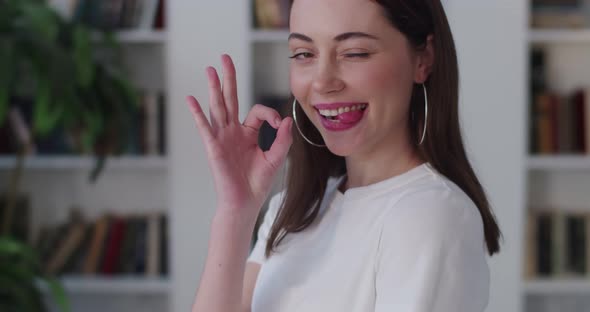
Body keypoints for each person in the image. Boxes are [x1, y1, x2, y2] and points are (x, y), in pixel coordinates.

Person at [187, 0, 502, 311]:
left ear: (424, 58)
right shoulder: (291, 209)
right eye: (304, 54)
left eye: (355, 53)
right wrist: (235, 211)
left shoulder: (431, 215)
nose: (323, 82)